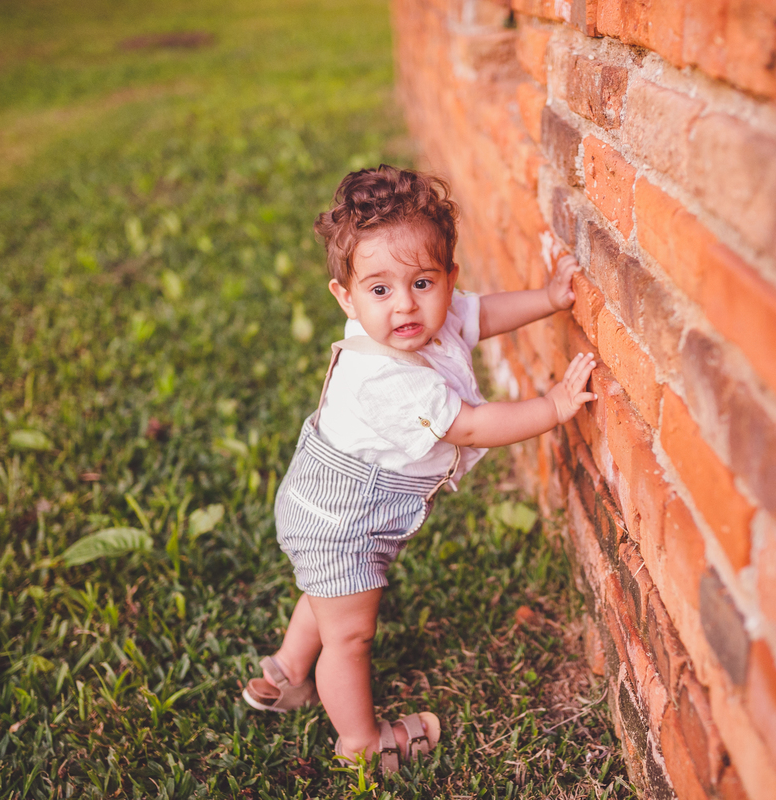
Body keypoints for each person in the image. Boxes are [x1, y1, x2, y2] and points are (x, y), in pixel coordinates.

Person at [240, 164, 596, 772]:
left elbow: (481, 314)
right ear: (345, 296)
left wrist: (549, 299)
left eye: (423, 283)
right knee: (350, 635)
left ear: (449, 278)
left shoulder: (434, 313)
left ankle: (287, 670)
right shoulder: (391, 377)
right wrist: (555, 406)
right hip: (341, 518)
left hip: (324, 503)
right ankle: (360, 744)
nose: (404, 304)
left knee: (327, 596)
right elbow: (473, 426)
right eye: (379, 290)